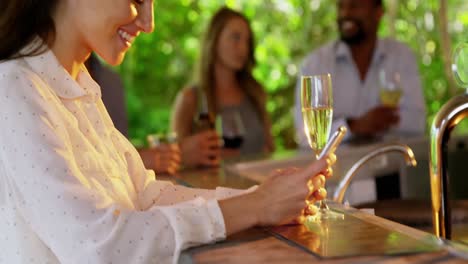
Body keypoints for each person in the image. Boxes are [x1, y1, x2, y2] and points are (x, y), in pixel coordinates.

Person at [0, 1, 334, 263]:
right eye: (137, 0)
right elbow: (100, 248)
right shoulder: (14, 88)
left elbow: (146, 196)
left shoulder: (78, 90)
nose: (148, 23)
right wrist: (256, 207)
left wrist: (261, 198)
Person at [294, 0, 426, 147]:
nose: (345, 13)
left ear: (378, 13)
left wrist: (377, 121)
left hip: (393, 164)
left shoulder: (401, 56)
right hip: (337, 167)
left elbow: (417, 122)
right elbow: (305, 136)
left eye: (355, 6)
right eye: (341, 7)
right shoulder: (315, 64)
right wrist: (353, 126)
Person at [171, 7, 275, 167]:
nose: (243, 48)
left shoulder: (255, 93)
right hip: (212, 190)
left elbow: (271, 150)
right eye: (235, 37)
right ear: (214, 39)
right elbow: (174, 160)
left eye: (247, 41)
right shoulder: (190, 98)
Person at [85, 54, 181, 175]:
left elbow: (117, 145)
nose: (145, 33)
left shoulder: (111, 81)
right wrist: (139, 161)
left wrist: (153, 157)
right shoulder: (54, 89)